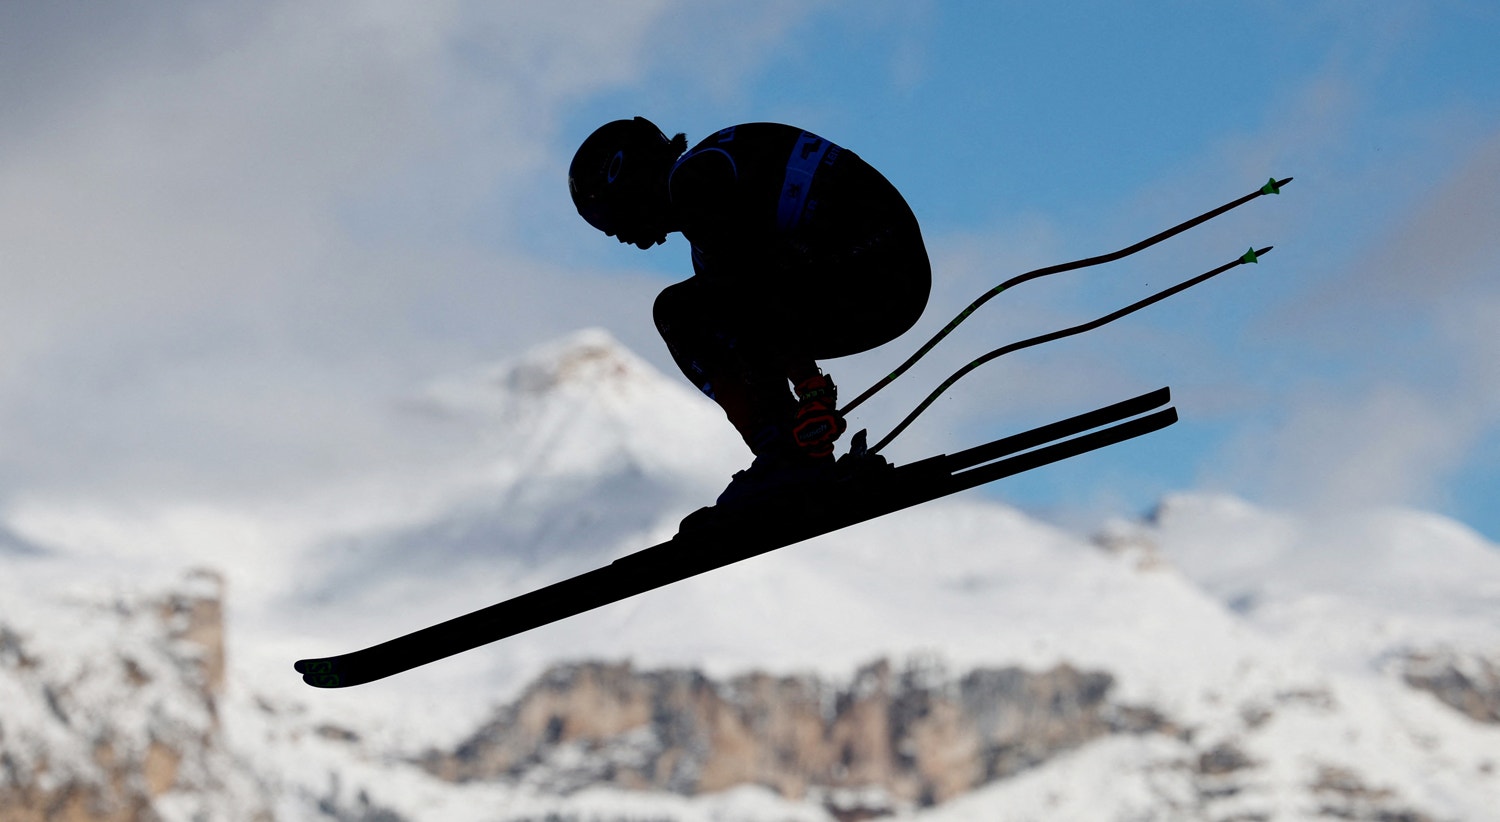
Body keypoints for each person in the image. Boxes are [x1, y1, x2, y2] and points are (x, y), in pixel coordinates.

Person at [569, 117, 931, 507]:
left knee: (681, 313)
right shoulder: (711, 182)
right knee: (719, 317)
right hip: (881, 275)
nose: (624, 239)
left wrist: (810, 391)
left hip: (872, 271)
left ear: (628, 183)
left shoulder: (697, 182)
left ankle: (787, 455)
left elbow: (756, 291)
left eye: (613, 222)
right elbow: (754, 306)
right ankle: (791, 453)